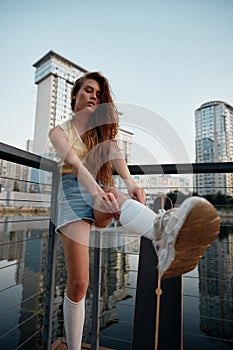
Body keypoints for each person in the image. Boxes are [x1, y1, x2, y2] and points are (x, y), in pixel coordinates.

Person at [49, 72, 220, 350]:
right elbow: (76, 166)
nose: (94, 96)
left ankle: (163, 234)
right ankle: (75, 346)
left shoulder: (101, 132)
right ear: (75, 95)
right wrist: (97, 192)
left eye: (98, 93)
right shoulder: (59, 131)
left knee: (116, 192)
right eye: (88, 90)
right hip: (72, 192)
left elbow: (115, 156)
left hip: (102, 190)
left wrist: (130, 183)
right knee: (79, 282)